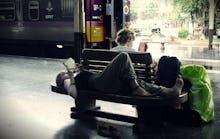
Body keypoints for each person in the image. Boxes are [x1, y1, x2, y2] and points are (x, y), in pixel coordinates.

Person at [56, 52, 184, 98]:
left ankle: (169, 91)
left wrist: (81, 70)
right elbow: (73, 94)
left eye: (63, 72)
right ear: (61, 81)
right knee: (123, 56)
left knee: (138, 81)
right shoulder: (67, 83)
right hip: (100, 84)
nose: (64, 73)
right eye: (62, 75)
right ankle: (135, 88)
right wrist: (71, 77)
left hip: (104, 81)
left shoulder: (77, 75)